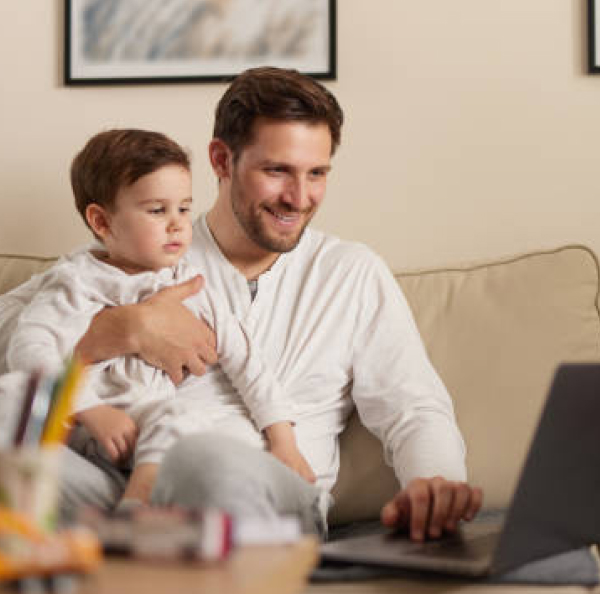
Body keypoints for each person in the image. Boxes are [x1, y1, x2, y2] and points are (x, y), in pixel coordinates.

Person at [1, 67, 482, 540]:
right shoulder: (147, 249)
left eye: (316, 173)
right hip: (121, 488)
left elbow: (414, 408)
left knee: (201, 459)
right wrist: (119, 330)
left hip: (267, 492)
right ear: (221, 160)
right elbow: (16, 335)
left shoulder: (352, 274)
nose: (298, 197)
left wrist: (433, 483)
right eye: (277, 171)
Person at [2, 128, 315, 508]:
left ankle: (139, 500)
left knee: (184, 417)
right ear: (102, 222)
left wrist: (283, 441)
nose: (178, 224)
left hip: (144, 428)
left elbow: (248, 363)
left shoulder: (191, 284)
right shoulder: (74, 281)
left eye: (184, 208)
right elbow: (28, 347)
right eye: (157, 210)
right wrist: (88, 408)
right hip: (76, 422)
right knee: (12, 391)